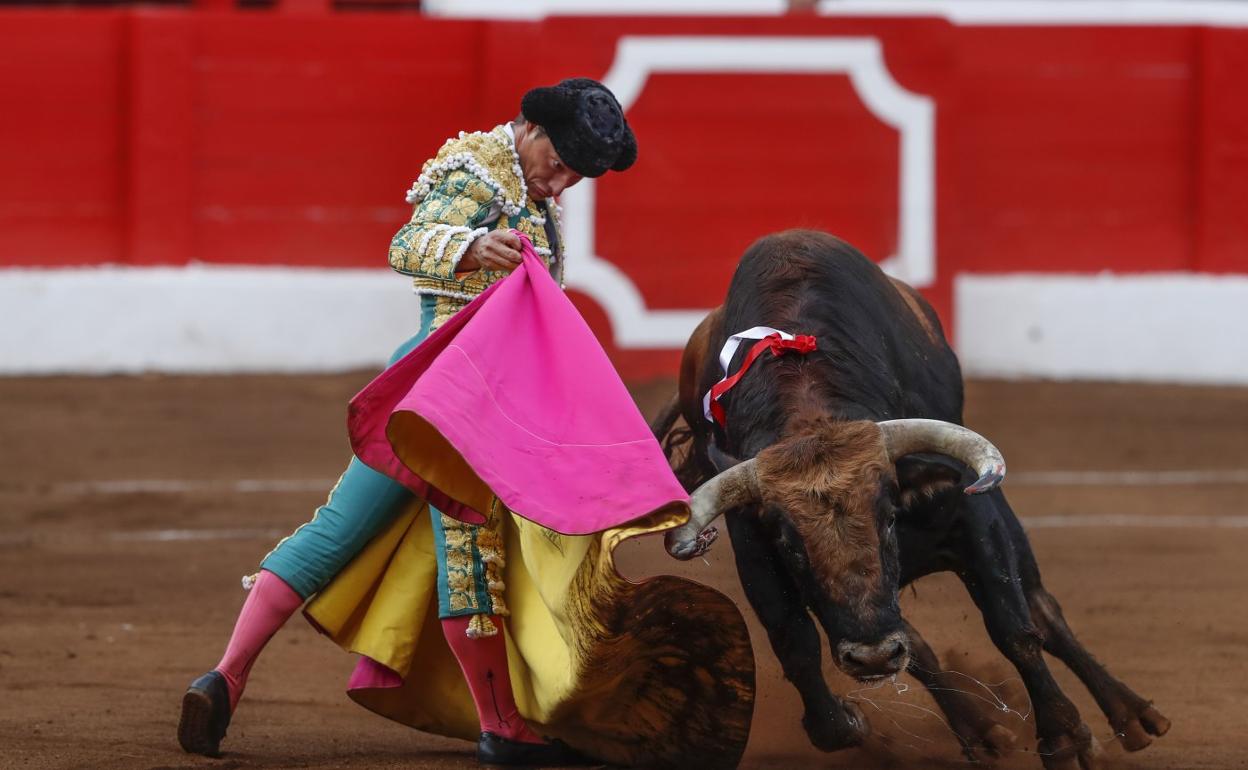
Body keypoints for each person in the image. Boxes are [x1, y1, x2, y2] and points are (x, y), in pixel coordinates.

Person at [177, 77, 637, 766]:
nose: (563, 182)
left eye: (577, 174)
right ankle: (501, 728)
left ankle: (223, 678)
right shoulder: (474, 169)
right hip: (452, 397)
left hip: (446, 392)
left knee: (334, 533)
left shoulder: (531, 196)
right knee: (469, 553)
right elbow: (408, 244)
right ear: (533, 131)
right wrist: (472, 249)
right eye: (562, 164)